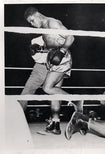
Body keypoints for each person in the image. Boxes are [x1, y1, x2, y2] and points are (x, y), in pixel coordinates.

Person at [23, 7, 80, 135]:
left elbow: (71, 37)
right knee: (55, 94)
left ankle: (75, 100)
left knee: (47, 88)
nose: (32, 25)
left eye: (32, 21)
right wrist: (40, 49)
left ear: (36, 15)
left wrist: (62, 52)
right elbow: (53, 43)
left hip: (62, 60)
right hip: (54, 61)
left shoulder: (52, 23)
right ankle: (55, 125)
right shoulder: (44, 28)